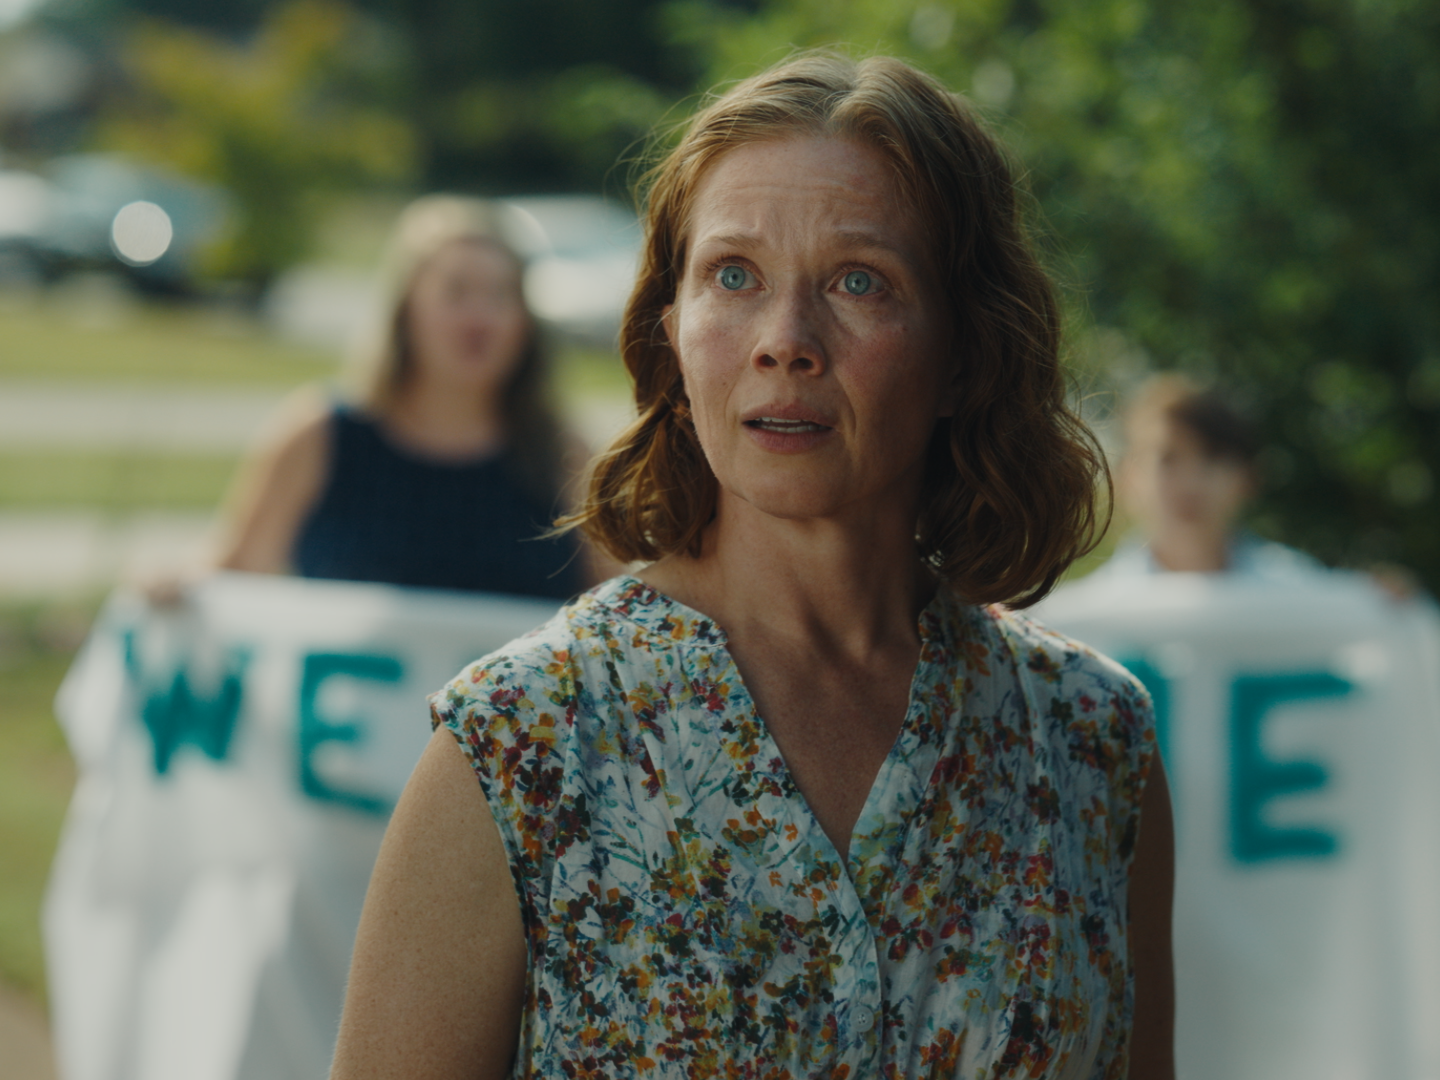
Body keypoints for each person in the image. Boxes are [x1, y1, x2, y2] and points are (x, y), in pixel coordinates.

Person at [331, 53, 1174, 1080]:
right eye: (733, 276)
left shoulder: (1091, 743)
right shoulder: (522, 743)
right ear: (671, 334)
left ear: (966, 351)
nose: (785, 340)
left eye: (859, 281)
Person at [213, 194, 587, 599]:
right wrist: (171, 582)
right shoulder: (318, 436)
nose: (480, 318)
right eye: (456, 292)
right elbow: (231, 573)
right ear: (405, 308)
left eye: (501, 295)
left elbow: (615, 613)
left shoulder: (566, 457)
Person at [1097, 374, 1323, 580]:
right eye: (1168, 459)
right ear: (1127, 477)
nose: (1190, 483)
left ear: (1247, 478)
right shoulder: (1086, 613)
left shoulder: (1309, 592)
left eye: (1212, 459)